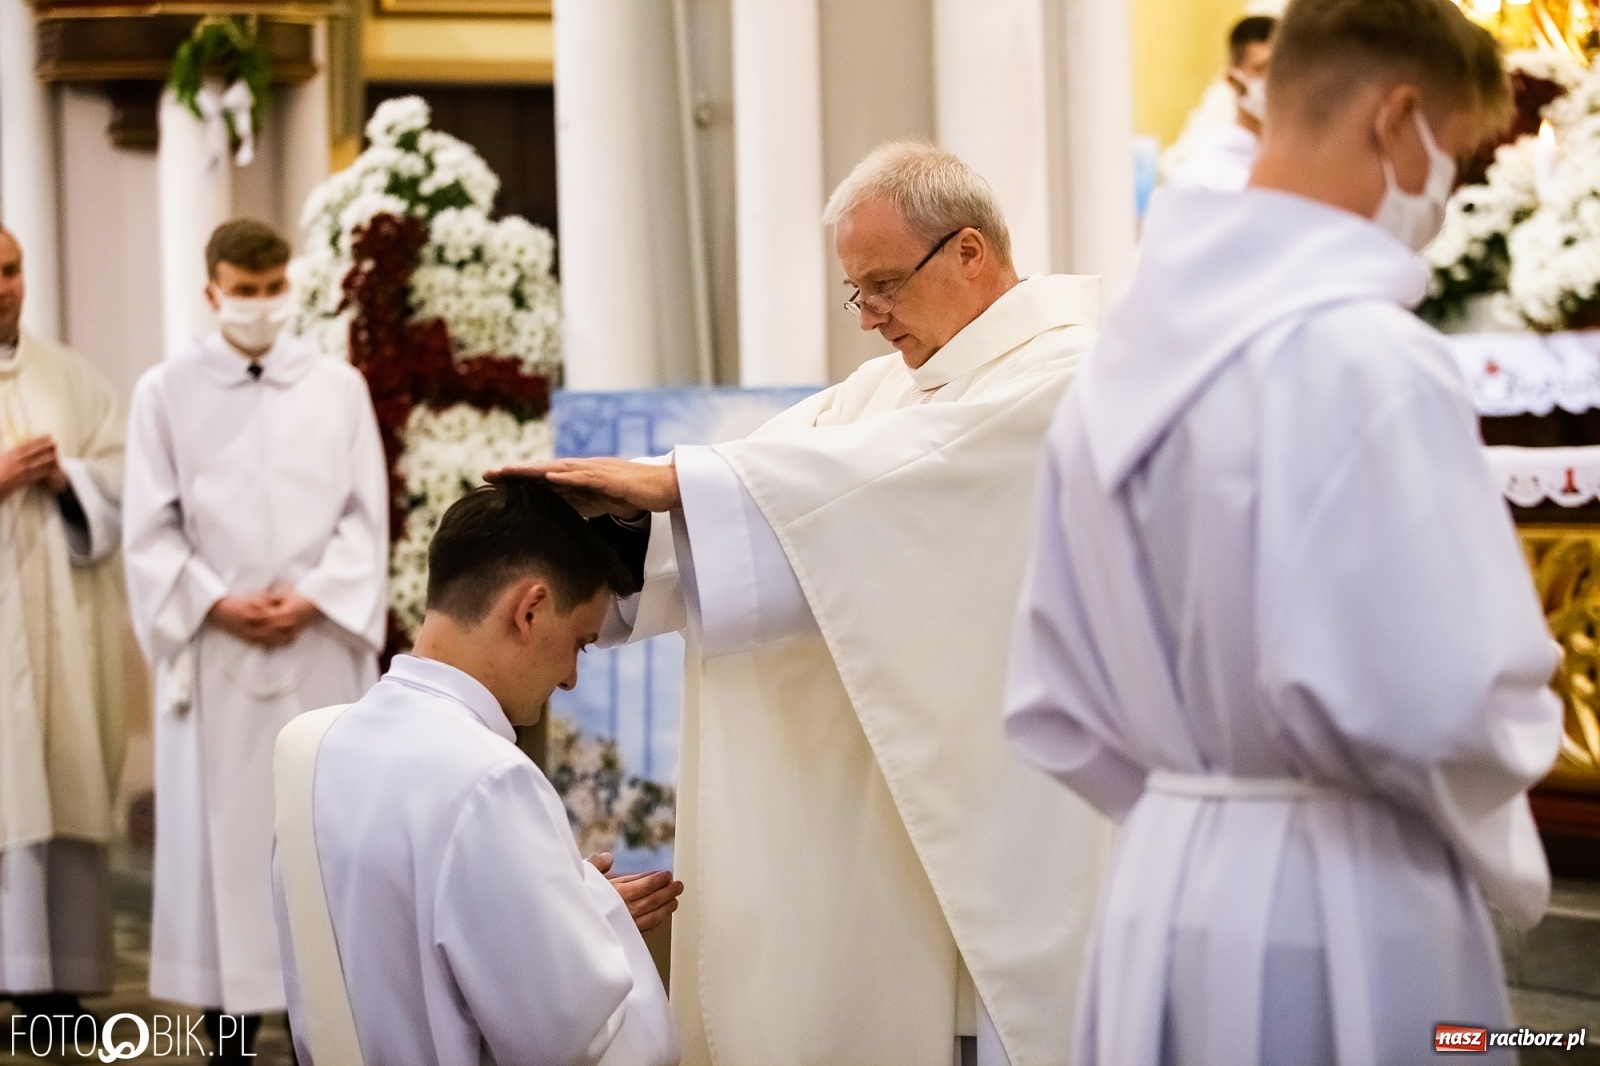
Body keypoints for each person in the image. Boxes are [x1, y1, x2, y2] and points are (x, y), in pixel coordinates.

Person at [1003, 3, 1560, 1064]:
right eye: (1452, 152)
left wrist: (1200, 804)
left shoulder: (1117, 368)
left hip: (1158, 880)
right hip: (1345, 896)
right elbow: (1457, 702)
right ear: (1397, 121)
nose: (1443, 197)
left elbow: (1051, 700)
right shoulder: (1368, 360)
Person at [496, 143, 1109, 1066]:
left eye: (884, 285)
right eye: (856, 292)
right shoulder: (887, 389)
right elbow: (784, 498)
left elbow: (895, 482)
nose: (870, 320)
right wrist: (593, 540)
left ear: (970, 252)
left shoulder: (1069, 371)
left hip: (1013, 804)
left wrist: (670, 479)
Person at [272, 481, 682, 1066]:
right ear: (530, 609)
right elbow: (563, 1038)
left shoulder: (318, 745)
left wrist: (560, 913)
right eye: (580, 643)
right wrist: (597, 925)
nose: (569, 677)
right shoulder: (491, 779)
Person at [123, 218, 389, 1062]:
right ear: (212, 293)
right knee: (226, 847)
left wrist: (314, 596)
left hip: (317, 645)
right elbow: (149, 524)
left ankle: (329, 1026)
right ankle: (227, 1032)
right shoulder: (166, 392)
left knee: (319, 828)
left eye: (273, 289)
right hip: (219, 651)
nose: (261, 306)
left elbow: (365, 515)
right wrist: (212, 602)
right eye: (244, 292)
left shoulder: (337, 386)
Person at [0, 227, 126, 1034]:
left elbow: (123, 474)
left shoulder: (70, 375)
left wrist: (70, 478)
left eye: (11, 270)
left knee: (63, 782)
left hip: (63, 631)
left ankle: (55, 984)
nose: (2, 287)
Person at [1169, 16, 1277, 192]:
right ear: (1235, 81)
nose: (1279, 81)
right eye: (1264, 69)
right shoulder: (1201, 176)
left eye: (1283, 69)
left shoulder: (1304, 163)